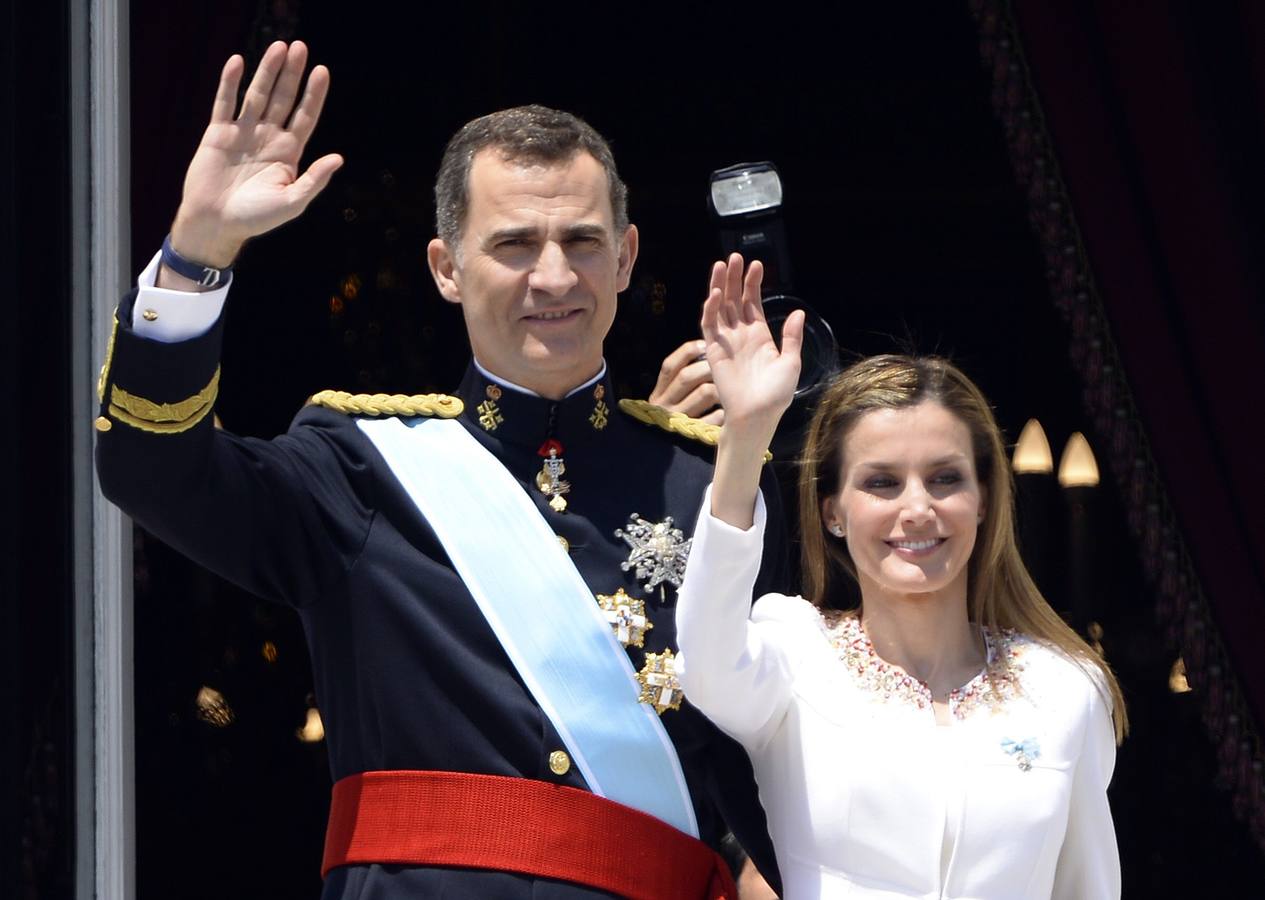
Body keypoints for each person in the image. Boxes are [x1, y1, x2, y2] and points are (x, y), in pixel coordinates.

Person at [95, 41, 788, 899]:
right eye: (513, 244)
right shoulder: (358, 467)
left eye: (581, 240)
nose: (553, 274)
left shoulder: (711, 487)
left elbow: (770, 778)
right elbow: (151, 470)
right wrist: (198, 251)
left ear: (627, 257)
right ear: (445, 268)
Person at [675, 255, 1127, 899]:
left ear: (984, 499)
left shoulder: (1064, 687)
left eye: (946, 478)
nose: (917, 508)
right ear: (833, 511)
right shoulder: (792, 650)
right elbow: (706, 660)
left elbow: (1088, 888)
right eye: (882, 483)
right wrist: (746, 434)